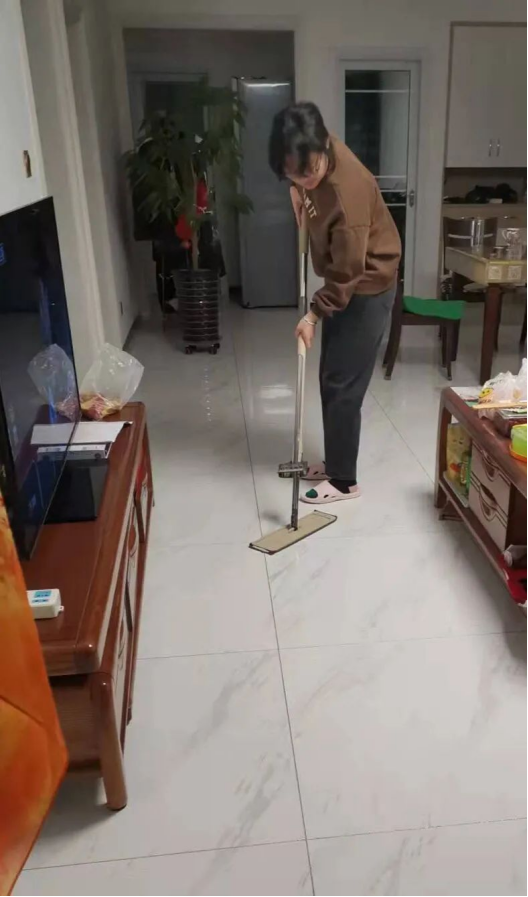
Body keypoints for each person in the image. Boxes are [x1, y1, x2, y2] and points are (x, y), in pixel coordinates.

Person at [269, 102, 402, 504]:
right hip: (347, 282)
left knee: (343, 383)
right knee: (331, 375)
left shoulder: (349, 192)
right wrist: (299, 194)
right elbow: (308, 190)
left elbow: (347, 273)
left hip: (367, 284)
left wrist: (313, 314)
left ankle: (344, 482)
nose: (306, 180)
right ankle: (335, 462)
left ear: (324, 148)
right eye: (295, 175)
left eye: (310, 173)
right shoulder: (310, 155)